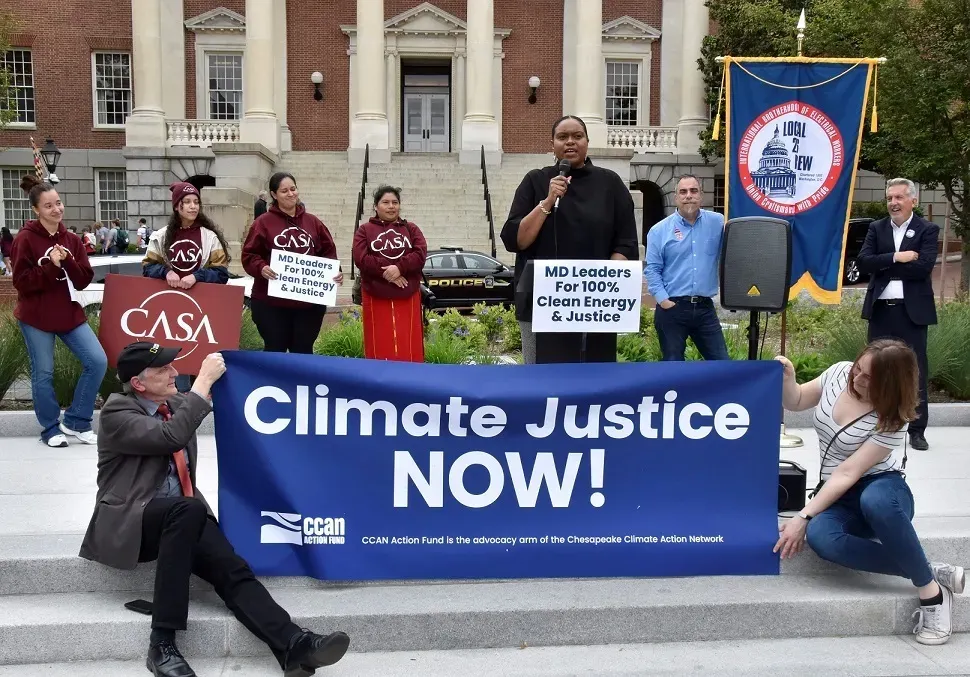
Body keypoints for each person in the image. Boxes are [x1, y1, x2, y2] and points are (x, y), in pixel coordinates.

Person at [79, 342, 350, 677]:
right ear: (138, 384)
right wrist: (202, 382)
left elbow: (235, 399)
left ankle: (295, 645)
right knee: (189, 511)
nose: (174, 373)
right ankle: (160, 644)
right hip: (132, 521)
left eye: (172, 366)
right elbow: (170, 437)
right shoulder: (117, 413)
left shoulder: (174, 404)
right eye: (163, 369)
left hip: (182, 520)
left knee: (233, 570)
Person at [774, 340, 964, 645]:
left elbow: (849, 472)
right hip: (837, 493)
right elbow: (795, 401)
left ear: (890, 385)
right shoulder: (839, 373)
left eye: (868, 378)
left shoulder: (893, 417)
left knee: (874, 500)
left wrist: (803, 515)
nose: (856, 379)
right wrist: (789, 381)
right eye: (858, 369)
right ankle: (929, 569)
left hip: (883, 489)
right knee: (823, 537)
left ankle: (932, 595)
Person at [501, 115, 639, 364]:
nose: (570, 142)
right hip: (542, 303)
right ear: (552, 144)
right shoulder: (535, 180)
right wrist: (548, 200)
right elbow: (516, 240)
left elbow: (626, 241)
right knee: (544, 379)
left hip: (594, 301)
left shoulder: (610, 183)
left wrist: (604, 282)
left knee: (595, 377)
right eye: (562, 137)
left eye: (577, 136)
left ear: (587, 141)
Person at [9, 175, 107, 447]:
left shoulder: (72, 239)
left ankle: (77, 420)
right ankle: (51, 428)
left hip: (69, 315)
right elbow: (22, 283)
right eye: (49, 205)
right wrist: (51, 266)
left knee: (97, 361)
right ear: (37, 210)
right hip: (36, 318)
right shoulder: (25, 239)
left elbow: (83, 279)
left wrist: (68, 261)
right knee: (44, 373)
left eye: (59, 203)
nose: (57, 209)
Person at [857, 178, 938, 451]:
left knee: (915, 369)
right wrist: (897, 257)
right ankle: (874, 422)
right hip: (881, 311)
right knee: (875, 369)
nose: (893, 203)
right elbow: (864, 262)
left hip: (911, 313)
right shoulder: (876, 228)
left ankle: (916, 430)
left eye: (899, 197)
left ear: (913, 200)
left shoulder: (927, 229)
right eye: (890, 198)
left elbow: (923, 267)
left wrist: (884, 263)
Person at [144, 182, 232, 392]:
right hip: (171, 309)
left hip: (203, 309)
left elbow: (221, 274)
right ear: (177, 206)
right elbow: (148, 268)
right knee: (178, 360)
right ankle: (180, 411)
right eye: (187, 202)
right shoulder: (161, 236)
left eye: (196, 202)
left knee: (204, 359)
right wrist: (166, 272)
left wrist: (197, 276)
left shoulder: (209, 237)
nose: (193, 207)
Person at [242, 172, 343, 354]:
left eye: (293, 189)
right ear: (274, 195)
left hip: (308, 305)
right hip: (270, 303)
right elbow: (249, 254)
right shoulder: (263, 223)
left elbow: (328, 251)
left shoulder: (313, 222)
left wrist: (334, 271)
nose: (291, 194)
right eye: (284, 191)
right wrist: (261, 267)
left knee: (303, 351)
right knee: (275, 350)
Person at [644, 174, 729, 361]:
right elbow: (652, 269)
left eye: (693, 191)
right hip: (672, 309)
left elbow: (730, 254)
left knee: (722, 363)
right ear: (676, 198)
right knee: (673, 368)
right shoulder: (659, 231)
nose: (688, 195)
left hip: (705, 308)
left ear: (701, 195)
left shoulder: (717, 223)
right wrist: (663, 300)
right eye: (683, 192)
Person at [352, 185, 428, 361]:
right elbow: (361, 258)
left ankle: (411, 381)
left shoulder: (411, 229)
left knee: (408, 343)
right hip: (375, 294)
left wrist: (400, 268)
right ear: (376, 206)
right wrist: (391, 272)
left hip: (408, 293)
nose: (391, 206)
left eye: (395, 202)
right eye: (385, 202)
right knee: (379, 341)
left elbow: (420, 254)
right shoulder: (364, 230)